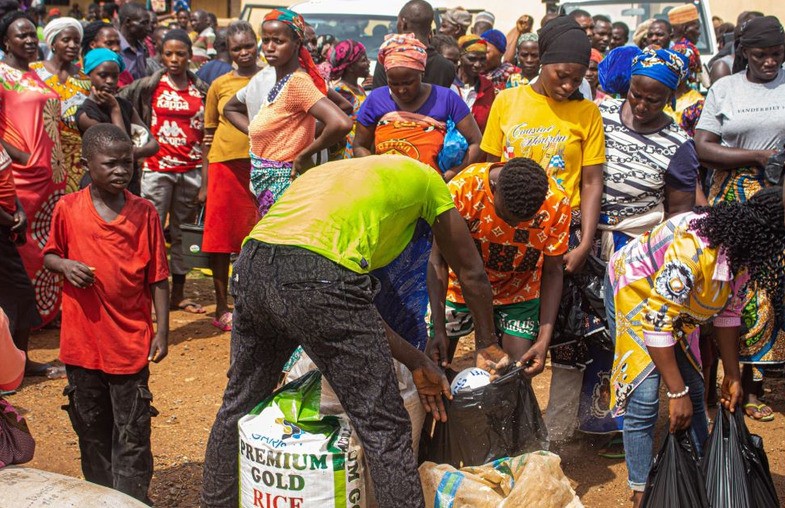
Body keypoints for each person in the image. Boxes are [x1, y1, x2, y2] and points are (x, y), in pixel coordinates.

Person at [200, 154, 513, 508]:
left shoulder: (338, 175)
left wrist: (415, 360)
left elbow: (351, 308)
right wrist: (486, 342)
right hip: (316, 276)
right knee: (384, 427)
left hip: (252, 266)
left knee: (238, 403)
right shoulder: (430, 183)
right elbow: (470, 272)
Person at [607, 187, 785, 507]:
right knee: (646, 396)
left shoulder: (742, 257)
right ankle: (641, 489)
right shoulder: (694, 248)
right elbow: (657, 320)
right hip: (636, 289)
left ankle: (702, 469)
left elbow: (728, 314)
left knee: (694, 385)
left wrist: (730, 375)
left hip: (681, 307)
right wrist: (674, 394)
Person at [481, 16, 606, 441]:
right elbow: (487, 169)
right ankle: (501, 422)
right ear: (542, 63)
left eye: (577, 79)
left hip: (563, 235)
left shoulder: (587, 113)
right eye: (561, 75)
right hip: (509, 232)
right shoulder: (507, 102)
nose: (568, 85)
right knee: (509, 328)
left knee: (566, 335)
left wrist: (585, 241)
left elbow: (591, 181)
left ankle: (556, 430)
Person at [43, 124, 170, 504]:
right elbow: (49, 255)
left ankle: (130, 498)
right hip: (82, 345)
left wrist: (162, 330)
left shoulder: (145, 213)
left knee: (132, 430)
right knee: (91, 426)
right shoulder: (67, 209)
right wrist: (65, 265)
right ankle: (99, 496)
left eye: (127, 164)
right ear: (87, 164)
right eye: (110, 164)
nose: (120, 171)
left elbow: (158, 277)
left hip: (129, 343)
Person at [694, 15, 785, 422]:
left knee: (769, 288)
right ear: (744, 52)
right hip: (734, 203)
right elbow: (704, 147)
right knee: (731, 287)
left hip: (779, 198)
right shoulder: (725, 89)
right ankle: (718, 379)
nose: (770, 62)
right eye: (762, 55)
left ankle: (752, 384)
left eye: (778, 55)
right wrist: (757, 156)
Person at [427, 157, 569, 377]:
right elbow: (438, 260)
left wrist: (543, 340)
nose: (513, 225)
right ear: (495, 189)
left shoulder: (556, 203)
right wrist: (438, 327)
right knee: (436, 365)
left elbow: (553, 271)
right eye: (507, 217)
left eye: (524, 220)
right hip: (460, 289)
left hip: (518, 292)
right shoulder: (463, 190)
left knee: (513, 375)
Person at [120, 29, 208, 315]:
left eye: (180, 54)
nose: (174, 59)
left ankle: (178, 294)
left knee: (183, 233)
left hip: (191, 170)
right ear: (160, 54)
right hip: (157, 169)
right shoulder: (149, 86)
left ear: (189, 55)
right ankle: (145, 295)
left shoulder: (201, 89)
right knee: (150, 231)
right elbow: (121, 103)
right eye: (168, 54)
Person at [240, 9, 350, 216]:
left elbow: (341, 122)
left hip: (286, 186)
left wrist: (304, 153)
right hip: (270, 185)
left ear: (297, 43)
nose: (269, 48)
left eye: (278, 41)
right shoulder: (280, 80)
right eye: (266, 40)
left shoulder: (298, 84)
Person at [0, 12, 65, 344]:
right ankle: (19, 334)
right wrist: (23, 158)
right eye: (20, 36)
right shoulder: (0, 76)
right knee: (21, 251)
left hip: (50, 180)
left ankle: (37, 322)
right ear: (5, 42)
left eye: (31, 35)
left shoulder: (36, 74)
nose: (28, 40)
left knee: (45, 246)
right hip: (21, 179)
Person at [198, 21, 261, 333]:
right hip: (224, 165)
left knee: (257, 235)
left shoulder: (270, 78)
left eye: (248, 45)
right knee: (221, 239)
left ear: (257, 43)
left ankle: (255, 302)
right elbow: (208, 134)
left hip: (262, 164)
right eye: (237, 48)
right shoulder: (219, 84)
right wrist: (203, 179)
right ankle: (222, 305)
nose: (244, 52)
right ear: (229, 50)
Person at [356, 33, 482, 178]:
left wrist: (450, 174)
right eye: (394, 84)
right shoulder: (376, 99)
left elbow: (477, 143)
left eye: (408, 82)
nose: (401, 90)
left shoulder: (446, 99)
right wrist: (375, 171)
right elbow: (360, 145)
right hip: (386, 185)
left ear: (422, 73)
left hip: (433, 187)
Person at [75, 48, 159, 196]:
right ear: (89, 76)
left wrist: (134, 153)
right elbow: (120, 147)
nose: (110, 81)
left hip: (128, 183)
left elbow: (153, 145)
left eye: (114, 76)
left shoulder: (125, 106)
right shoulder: (86, 114)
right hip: (100, 187)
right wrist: (114, 110)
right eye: (103, 75)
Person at [30, 17, 90, 195]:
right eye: (66, 40)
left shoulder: (85, 80)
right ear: (53, 43)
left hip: (76, 158)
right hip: (41, 152)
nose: (72, 45)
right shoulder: (33, 72)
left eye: (76, 41)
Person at [372, 0, 455, 90]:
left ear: (403, 23)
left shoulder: (389, 59)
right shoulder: (447, 66)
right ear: (430, 28)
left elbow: (378, 99)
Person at [328, 39, 370, 160]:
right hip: (346, 153)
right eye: (363, 60)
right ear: (350, 66)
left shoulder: (359, 89)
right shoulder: (342, 91)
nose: (368, 63)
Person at [451, 35, 495, 132]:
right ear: (460, 57)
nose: (478, 64)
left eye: (482, 59)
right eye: (472, 59)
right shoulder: (448, 82)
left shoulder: (487, 87)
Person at [664, 42, 704, 137]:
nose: (673, 71)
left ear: (689, 70)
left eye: (678, 67)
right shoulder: (659, 95)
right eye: (670, 66)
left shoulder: (696, 103)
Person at [81, 21, 135, 88]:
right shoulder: (76, 72)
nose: (116, 48)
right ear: (93, 45)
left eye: (118, 43)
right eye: (109, 43)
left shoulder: (125, 74)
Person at [118, 2, 151, 81]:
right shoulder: (114, 49)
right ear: (128, 22)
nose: (149, 28)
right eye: (144, 23)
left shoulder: (140, 49)